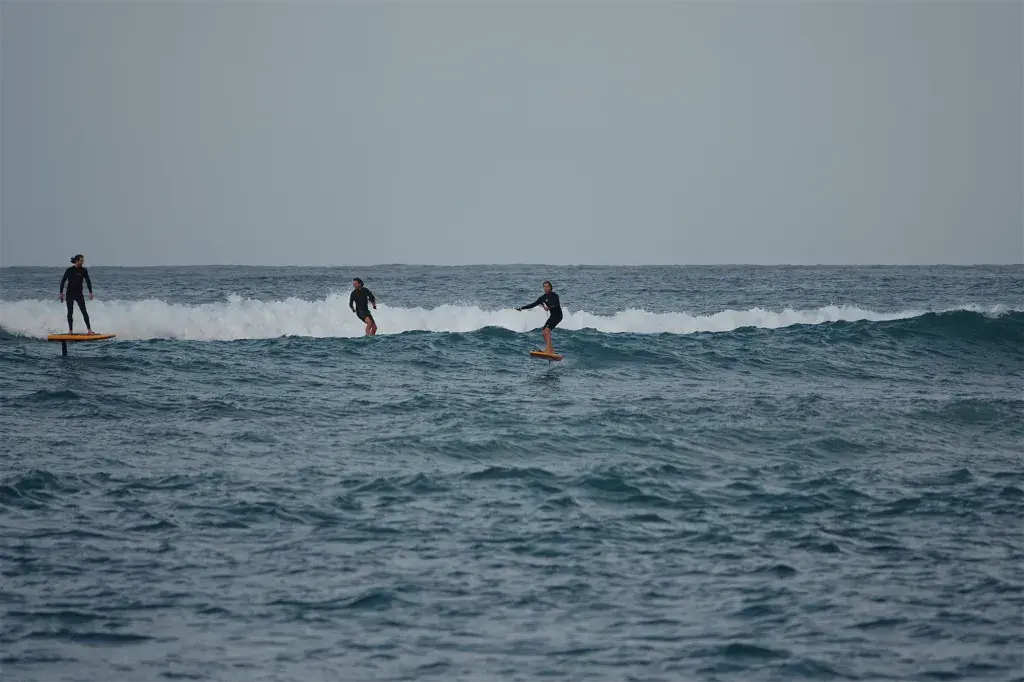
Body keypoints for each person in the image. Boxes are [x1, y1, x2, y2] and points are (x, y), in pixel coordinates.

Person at [516, 280, 562, 354]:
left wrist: (549, 307)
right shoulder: (542, 298)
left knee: (547, 331)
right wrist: (522, 308)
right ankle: (551, 350)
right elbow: (533, 304)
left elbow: (556, 304)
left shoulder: (554, 295)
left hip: (558, 315)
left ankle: (548, 350)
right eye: (544, 287)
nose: (546, 288)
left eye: (547, 286)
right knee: (544, 332)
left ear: (550, 287)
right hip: (553, 315)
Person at [59, 254, 96, 334]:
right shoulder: (69, 270)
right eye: (81, 261)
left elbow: (88, 281)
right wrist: (61, 293)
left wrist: (90, 292)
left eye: (83, 261)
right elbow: (63, 281)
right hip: (70, 294)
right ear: (76, 261)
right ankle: (70, 331)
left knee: (84, 311)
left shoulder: (84, 270)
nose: (83, 262)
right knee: (70, 312)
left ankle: (89, 330)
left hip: (79, 294)